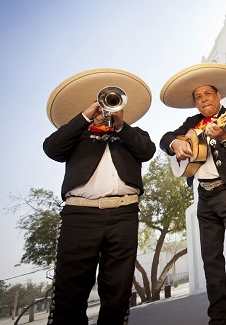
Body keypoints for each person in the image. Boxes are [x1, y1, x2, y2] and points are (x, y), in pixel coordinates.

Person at [43, 68, 156, 324]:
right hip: (79, 215)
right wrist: (85, 116)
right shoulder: (77, 135)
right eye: (102, 105)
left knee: (117, 293)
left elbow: (147, 151)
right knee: (69, 294)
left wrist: (120, 125)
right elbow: (51, 148)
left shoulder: (132, 134)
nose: (106, 109)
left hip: (124, 214)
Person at [159, 63, 226, 325]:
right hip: (204, 197)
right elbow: (164, 138)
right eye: (198, 97)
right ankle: (219, 319)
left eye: (207, 94)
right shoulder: (192, 123)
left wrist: (223, 136)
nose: (203, 99)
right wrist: (175, 144)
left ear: (218, 96)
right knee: (211, 260)